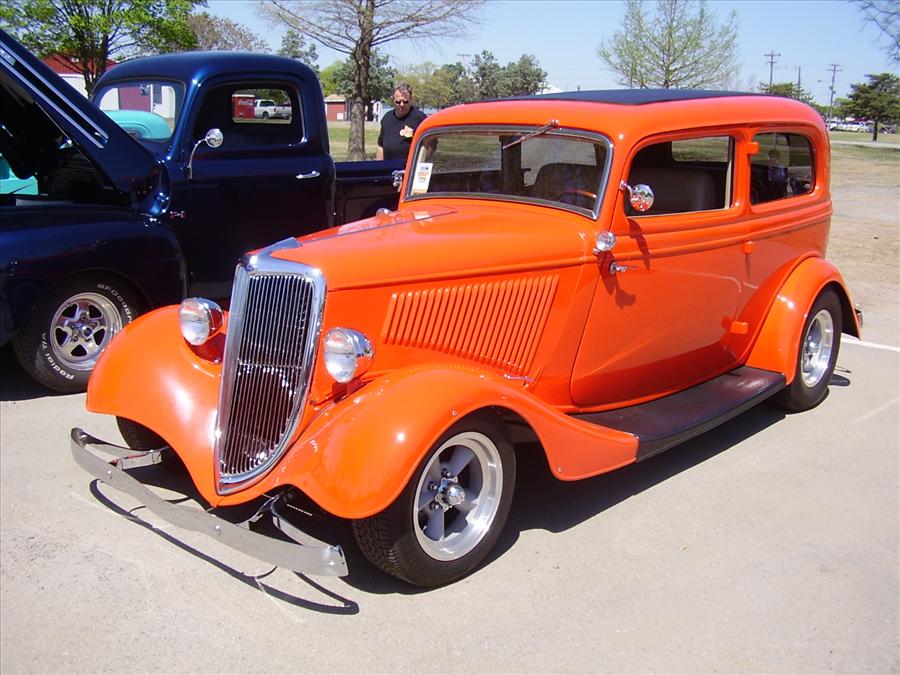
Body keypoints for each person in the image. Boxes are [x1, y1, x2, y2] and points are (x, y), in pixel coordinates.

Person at [376, 83, 427, 161]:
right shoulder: (387, 118)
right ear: (393, 100)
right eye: (398, 102)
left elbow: (430, 146)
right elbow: (380, 145)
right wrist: (378, 167)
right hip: (388, 168)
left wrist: (419, 162)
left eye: (405, 101)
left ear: (411, 100)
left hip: (409, 170)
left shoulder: (420, 118)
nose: (402, 104)